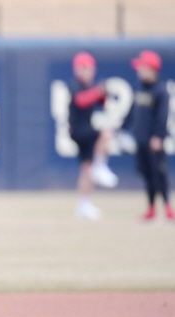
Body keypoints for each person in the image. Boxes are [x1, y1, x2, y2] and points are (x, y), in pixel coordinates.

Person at [122, 50, 173, 221]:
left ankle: (167, 207)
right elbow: (132, 112)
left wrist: (158, 136)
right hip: (141, 140)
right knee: (147, 174)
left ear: (152, 69)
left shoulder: (161, 91)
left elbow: (162, 116)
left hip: (154, 141)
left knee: (159, 174)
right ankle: (151, 208)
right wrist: (122, 128)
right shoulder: (139, 87)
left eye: (142, 68)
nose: (139, 71)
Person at [68, 51, 119, 220]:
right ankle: (101, 166)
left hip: (85, 130)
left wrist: (104, 93)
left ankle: (84, 204)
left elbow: (103, 103)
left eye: (89, 69)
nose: (86, 72)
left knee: (85, 169)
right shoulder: (75, 86)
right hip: (79, 131)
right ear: (77, 70)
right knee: (105, 134)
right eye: (83, 69)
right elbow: (81, 100)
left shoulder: (91, 88)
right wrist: (98, 91)